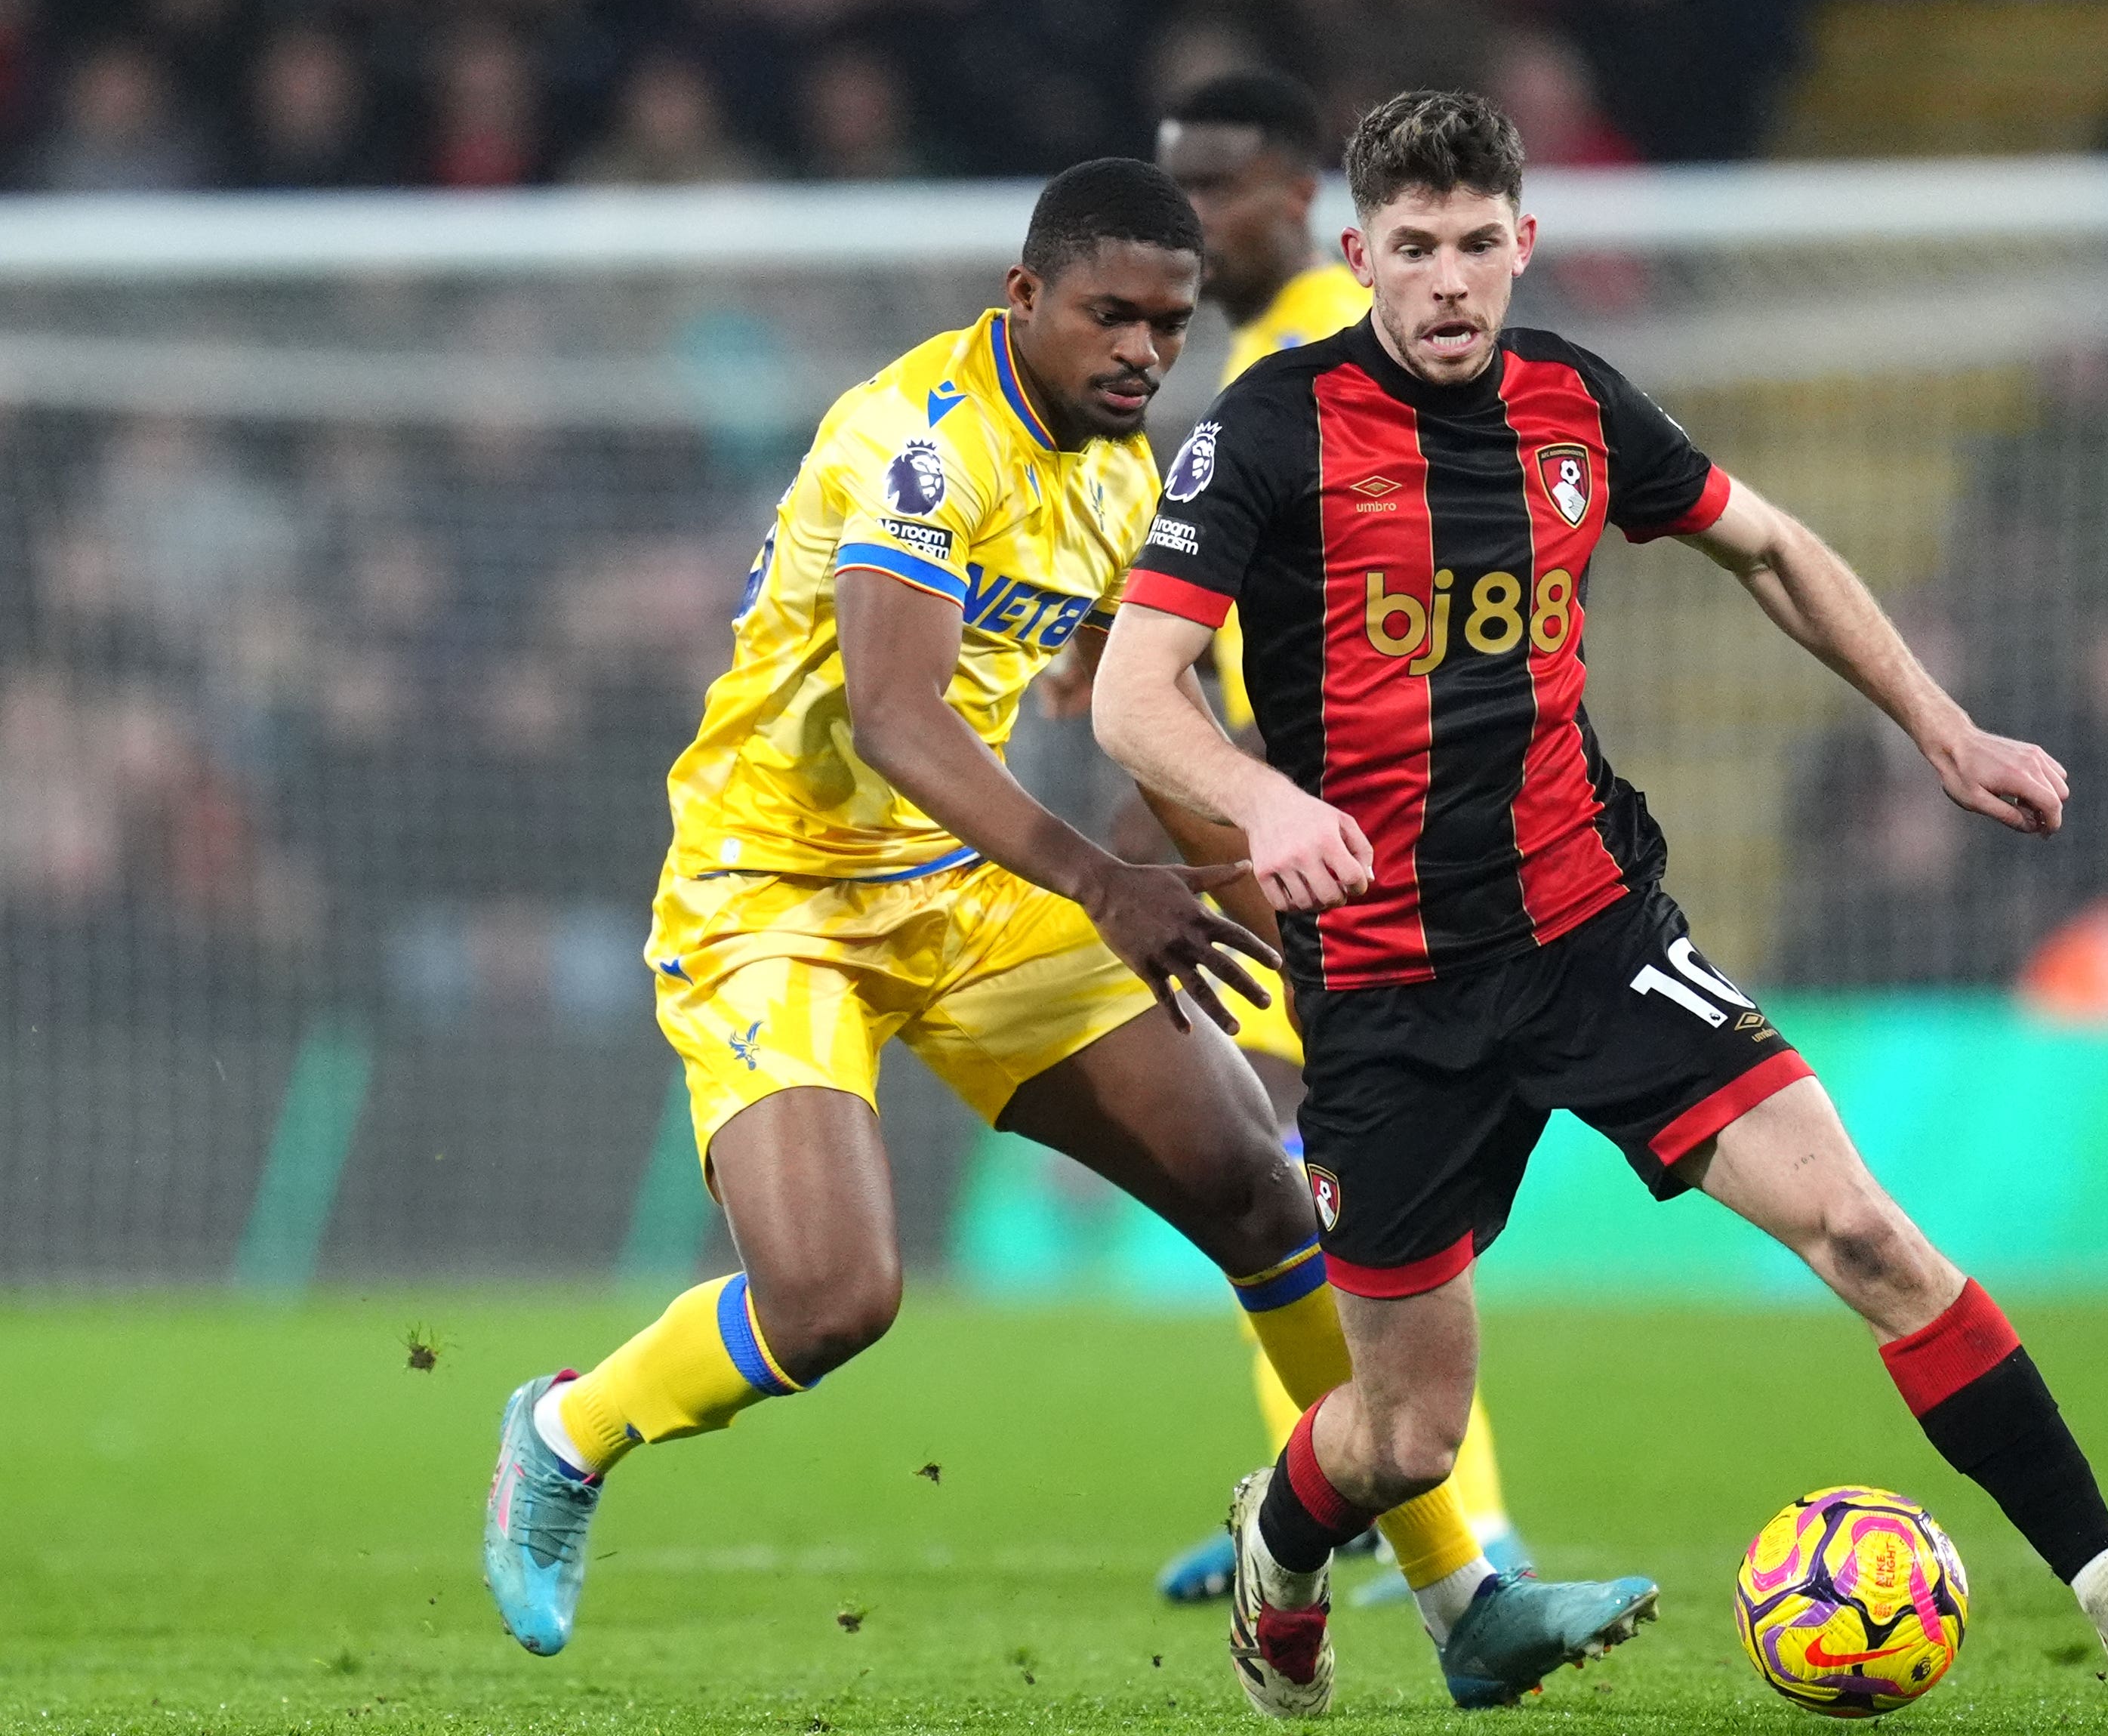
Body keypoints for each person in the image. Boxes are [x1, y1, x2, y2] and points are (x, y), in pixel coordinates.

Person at [1091, 92, 2108, 1720]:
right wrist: (1265, 797)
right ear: (1359, 254)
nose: (1450, 283)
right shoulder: (1272, 425)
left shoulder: (1578, 403)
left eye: (1478, 245)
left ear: (1527, 242)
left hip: (1594, 933)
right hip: (1388, 990)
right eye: (1415, 250)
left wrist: (1946, 726)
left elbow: (1771, 549)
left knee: (1865, 1231)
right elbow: (1135, 694)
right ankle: (1280, 1549)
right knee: (1406, 1438)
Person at [479, 159, 1635, 1708]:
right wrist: (1106, 881)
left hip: (968, 893)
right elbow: (895, 719)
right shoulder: (913, 445)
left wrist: (1285, 891)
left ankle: (1461, 1596)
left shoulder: (1116, 473)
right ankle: (567, 1433)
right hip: (777, 898)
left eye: (1166, 325)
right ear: (1023, 297)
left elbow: (1144, 711)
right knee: (834, 1300)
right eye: (1111, 318)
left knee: (1264, 1196)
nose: (1143, 353)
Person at [1141, 66, 1538, 1611]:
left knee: (1332, 1175)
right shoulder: (1260, 341)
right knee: (1279, 1172)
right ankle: (1344, 1483)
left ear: (1299, 194)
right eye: (1171, 186)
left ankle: (1441, 1511)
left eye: (1216, 185)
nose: (1189, 219)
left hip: (1332, 817)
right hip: (1269, 805)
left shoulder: (1327, 325)